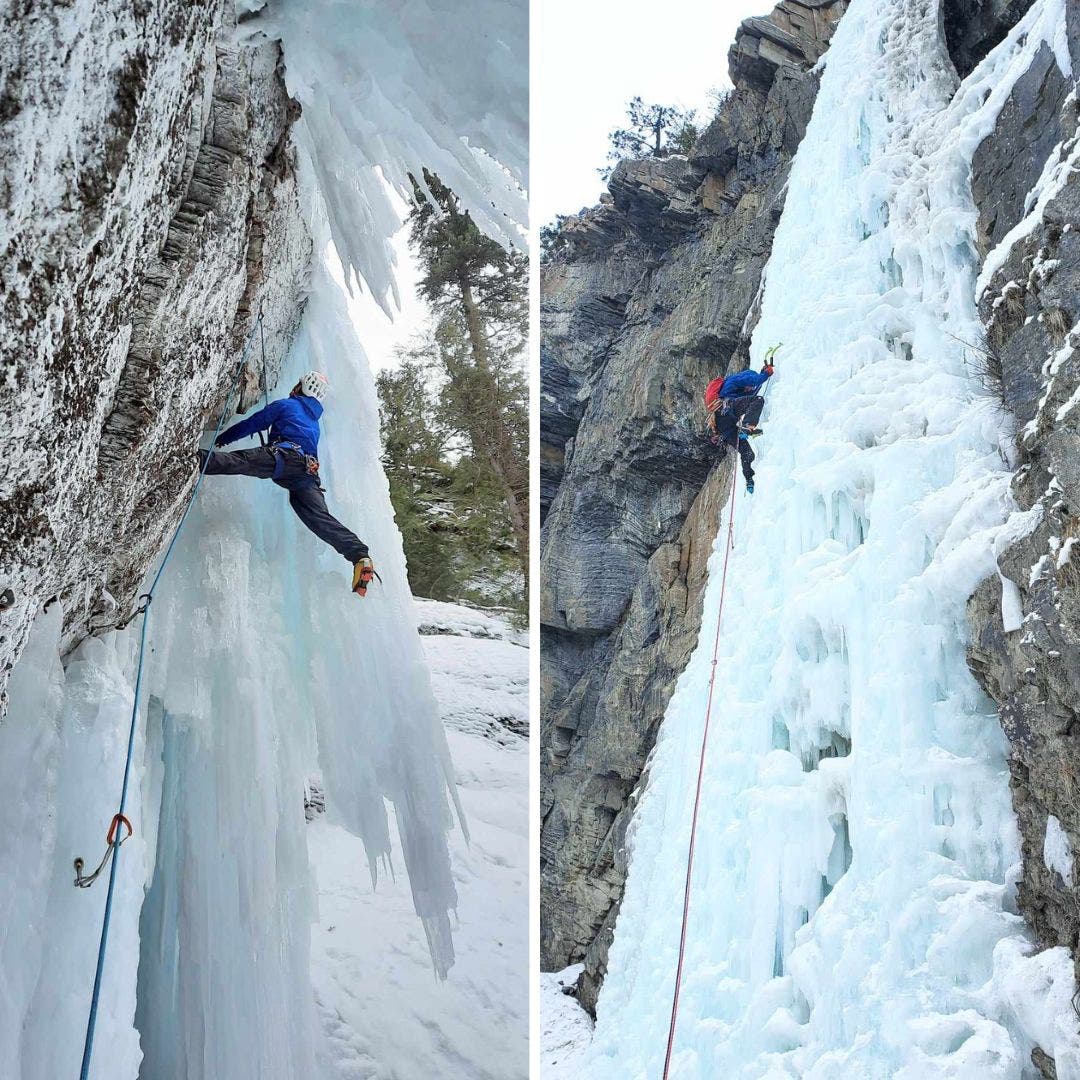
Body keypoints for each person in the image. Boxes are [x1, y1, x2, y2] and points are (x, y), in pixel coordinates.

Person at [197, 370, 377, 596]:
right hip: (307, 474)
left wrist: (223, 438)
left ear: (300, 387)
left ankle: (192, 460)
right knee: (320, 518)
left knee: (238, 462)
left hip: (285, 458)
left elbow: (253, 423)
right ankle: (359, 555)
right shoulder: (314, 422)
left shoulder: (286, 405)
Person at [704, 356, 775, 494]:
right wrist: (766, 373)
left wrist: (761, 375)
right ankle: (747, 427)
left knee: (747, 453)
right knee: (758, 400)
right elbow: (753, 383)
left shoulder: (733, 390)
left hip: (724, 426)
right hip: (727, 409)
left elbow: (750, 392)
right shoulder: (735, 380)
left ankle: (749, 479)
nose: (750, 388)